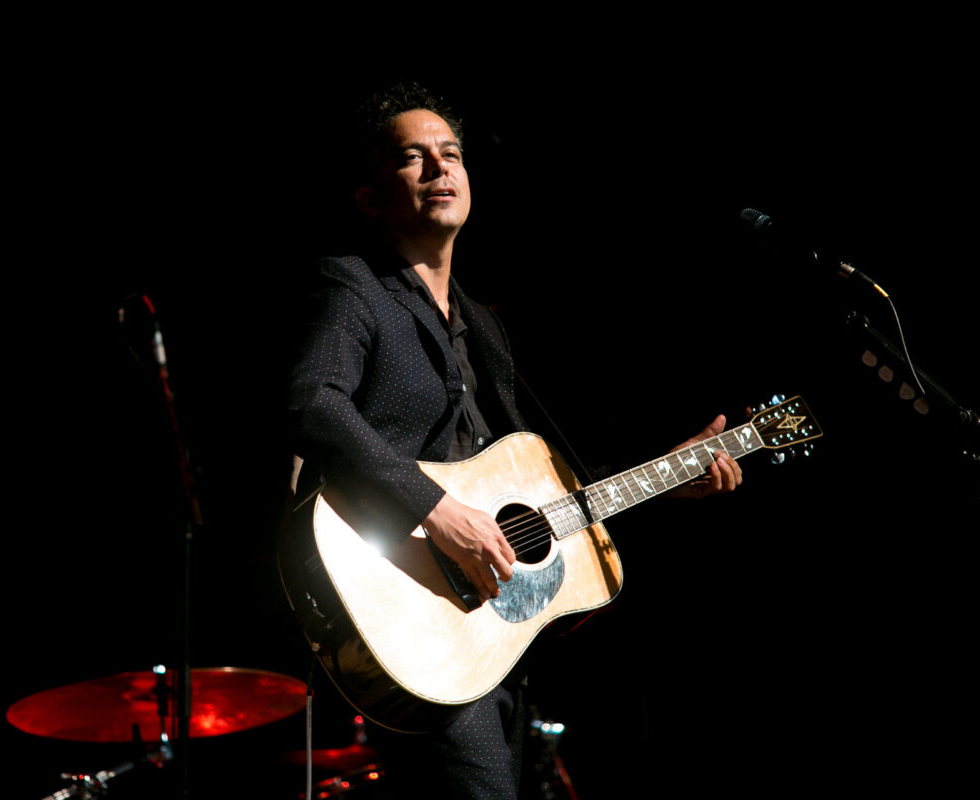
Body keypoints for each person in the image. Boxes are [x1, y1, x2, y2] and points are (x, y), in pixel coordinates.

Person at [286, 82, 742, 799]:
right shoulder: (353, 287)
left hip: (491, 626)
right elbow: (311, 403)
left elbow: (533, 483)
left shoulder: (483, 325)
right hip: (411, 604)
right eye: (413, 157)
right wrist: (439, 510)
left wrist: (665, 477)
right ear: (370, 199)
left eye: (451, 154)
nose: (440, 167)